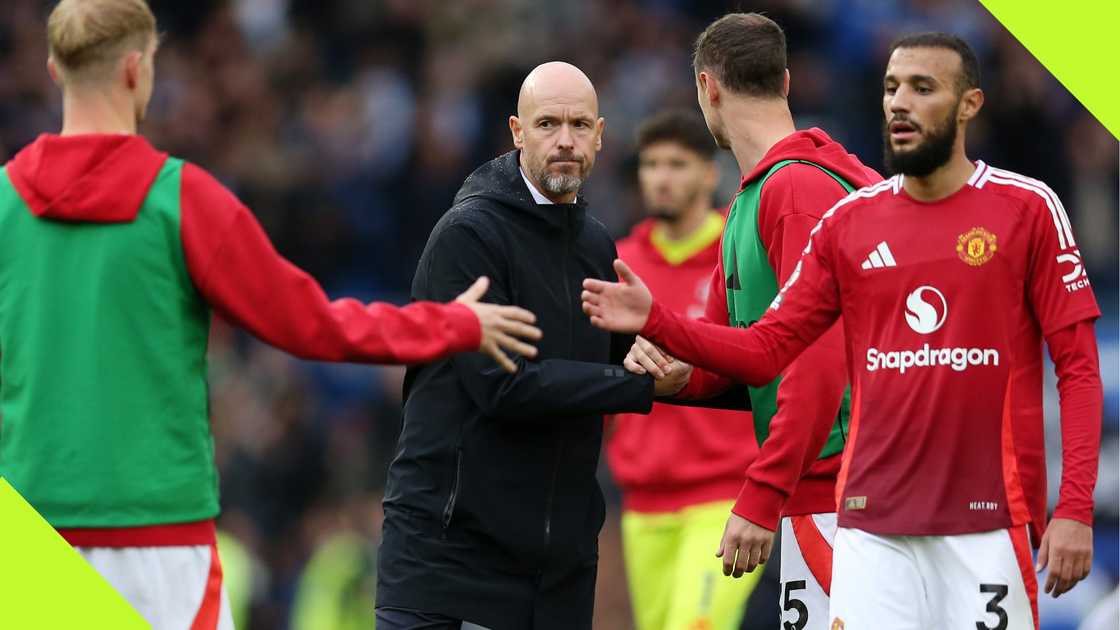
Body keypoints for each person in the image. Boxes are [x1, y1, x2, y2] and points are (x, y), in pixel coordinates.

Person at [0, 1, 541, 628]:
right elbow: (312, 323)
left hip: (30, 529)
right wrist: (453, 324)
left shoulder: (6, 207)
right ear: (135, 68)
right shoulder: (184, 201)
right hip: (158, 536)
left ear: (52, 68)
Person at [582, 32, 1102, 629]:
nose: (900, 102)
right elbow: (771, 348)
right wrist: (659, 324)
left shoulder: (1024, 207)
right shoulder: (848, 222)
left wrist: (1075, 508)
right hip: (867, 516)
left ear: (970, 105)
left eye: (922, 88)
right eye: (890, 88)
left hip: (980, 513)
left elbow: (1078, 366)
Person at [375, 62, 665, 630]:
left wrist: (724, 373)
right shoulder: (469, 236)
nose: (564, 141)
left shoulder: (597, 245)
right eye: (547, 124)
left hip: (556, 578)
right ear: (516, 131)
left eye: (579, 125)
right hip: (449, 567)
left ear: (601, 135)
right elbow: (500, 385)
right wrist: (637, 384)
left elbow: (633, 362)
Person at [623, 14, 880, 630]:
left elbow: (819, 363)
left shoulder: (798, 191)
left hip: (843, 492)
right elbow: (737, 355)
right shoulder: (753, 199)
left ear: (707, 88)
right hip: (813, 492)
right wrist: (674, 379)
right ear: (786, 81)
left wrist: (760, 497)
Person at [608, 109, 762, 630]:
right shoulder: (619, 265)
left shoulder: (739, 251)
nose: (662, 177)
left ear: (708, 173)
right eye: (651, 164)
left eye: (676, 163)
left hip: (724, 493)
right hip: (644, 499)